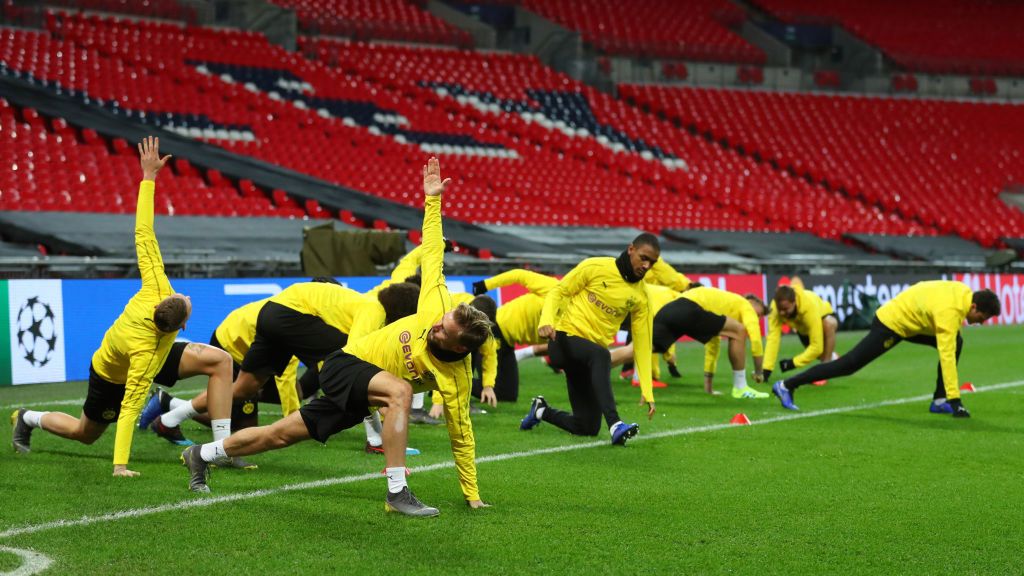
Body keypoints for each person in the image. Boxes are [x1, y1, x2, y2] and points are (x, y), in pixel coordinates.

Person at [181, 157, 492, 516]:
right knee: (401, 391)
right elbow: (433, 252)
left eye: (443, 330)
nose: (435, 325)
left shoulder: (457, 379)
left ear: (457, 347)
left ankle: (201, 455)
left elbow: (461, 434)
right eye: (441, 320)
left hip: (363, 396)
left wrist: (472, 494)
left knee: (279, 435)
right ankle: (397, 492)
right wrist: (433, 201)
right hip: (346, 364)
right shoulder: (435, 303)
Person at [10, 137, 233, 475]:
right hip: (113, 373)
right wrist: (120, 466)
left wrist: (149, 178)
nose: (187, 296)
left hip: (154, 352)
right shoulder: (147, 354)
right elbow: (129, 409)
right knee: (84, 433)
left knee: (220, 361)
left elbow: (144, 232)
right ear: (182, 327)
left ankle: (221, 449)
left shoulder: (156, 287)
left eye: (183, 298)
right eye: (188, 302)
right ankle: (28, 418)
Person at [772, 282, 1000, 416]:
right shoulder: (949, 312)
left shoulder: (963, 291)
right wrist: (956, 400)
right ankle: (787, 385)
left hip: (910, 321)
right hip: (892, 324)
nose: (980, 322)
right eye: (981, 317)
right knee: (849, 365)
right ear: (973, 306)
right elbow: (947, 355)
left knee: (956, 341)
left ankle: (939, 401)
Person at [520, 234, 659, 445]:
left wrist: (647, 391)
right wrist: (546, 320)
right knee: (602, 355)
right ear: (631, 249)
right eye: (644, 258)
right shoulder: (595, 267)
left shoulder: (642, 297)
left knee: (587, 427)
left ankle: (541, 412)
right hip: (564, 341)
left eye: (653, 262)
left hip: (588, 359)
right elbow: (558, 291)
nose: (647, 265)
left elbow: (642, 342)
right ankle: (615, 424)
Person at [633, 286, 769, 398]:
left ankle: (612, 357)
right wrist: (759, 372)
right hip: (689, 308)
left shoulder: (720, 309)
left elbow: (713, 345)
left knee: (640, 348)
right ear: (752, 303)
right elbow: (756, 340)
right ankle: (741, 387)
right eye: (758, 314)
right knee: (740, 330)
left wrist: (708, 388)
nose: (757, 318)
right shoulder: (745, 305)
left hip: (672, 308)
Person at [470, 268, 559, 402]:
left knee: (508, 395)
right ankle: (448, 382)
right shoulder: (554, 287)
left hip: (510, 341)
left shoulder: (582, 317)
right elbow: (519, 275)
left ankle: (451, 382)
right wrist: (485, 285)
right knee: (495, 390)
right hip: (496, 327)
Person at [761, 281, 839, 384]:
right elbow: (773, 338)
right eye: (779, 309)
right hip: (803, 329)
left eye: (785, 309)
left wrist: (792, 363)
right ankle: (833, 356)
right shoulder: (775, 308)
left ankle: (824, 369)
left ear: (794, 302)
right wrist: (766, 370)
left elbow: (817, 347)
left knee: (828, 324)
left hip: (823, 317)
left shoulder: (808, 306)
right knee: (819, 355)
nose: (781, 313)